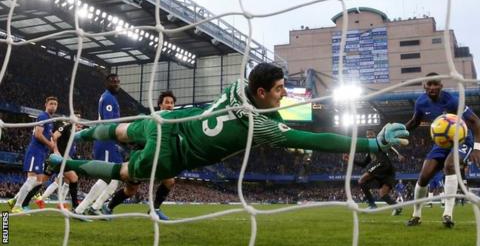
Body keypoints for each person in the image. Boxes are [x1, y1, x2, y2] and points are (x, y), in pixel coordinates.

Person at [47, 63, 409, 211]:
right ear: (263, 92)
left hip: (169, 122)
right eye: (280, 89)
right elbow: (317, 140)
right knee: (126, 174)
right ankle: (66, 161)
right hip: (172, 156)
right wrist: (371, 144)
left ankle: (79, 133)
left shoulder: (237, 85)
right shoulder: (262, 125)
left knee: (123, 128)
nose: (284, 94)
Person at [406, 73, 480, 228]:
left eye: (435, 84)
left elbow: (475, 121)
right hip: (441, 142)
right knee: (424, 176)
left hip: (462, 140)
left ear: (441, 86)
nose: (432, 87)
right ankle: (416, 215)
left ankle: (447, 214)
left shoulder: (451, 100)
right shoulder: (420, 102)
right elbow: (414, 122)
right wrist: (400, 131)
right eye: (429, 84)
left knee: (449, 166)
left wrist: (477, 148)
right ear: (424, 86)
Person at [103, 91, 177, 220]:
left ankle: (155, 209)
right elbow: (137, 137)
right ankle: (108, 208)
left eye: (172, 103)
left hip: (157, 158)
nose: (170, 105)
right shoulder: (151, 119)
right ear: (160, 105)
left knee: (169, 180)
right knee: (131, 190)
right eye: (167, 102)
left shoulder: (174, 123)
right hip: (141, 157)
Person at [75, 74, 122, 216]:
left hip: (110, 142)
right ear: (107, 83)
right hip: (105, 141)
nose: (116, 84)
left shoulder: (111, 98)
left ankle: (96, 207)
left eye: (118, 82)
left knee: (115, 178)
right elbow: (108, 123)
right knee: (107, 177)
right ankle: (80, 209)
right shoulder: (107, 98)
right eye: (113, 82)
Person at [10, 96, 58, 213]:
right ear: (45, 105)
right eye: (51, 103)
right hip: (35, 151)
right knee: (32, 179)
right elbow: (37, 134)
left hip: (41, 153)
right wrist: (50, 145)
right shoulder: (42, 116)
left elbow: (49, 133)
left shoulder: (50, 120)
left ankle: (14, 200)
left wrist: (53, 140)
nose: (53, 106)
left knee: (40, 180)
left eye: (55, 104)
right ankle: (17, 206)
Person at [343, 129, 403, 216]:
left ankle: (372, 205)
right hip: (384, 172)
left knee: (361, 180)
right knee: (382, 194)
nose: (369, 136)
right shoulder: (369, 150)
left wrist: (398, 154)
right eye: (367, 135)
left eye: (371, 134)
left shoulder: (378, 142)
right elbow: (363, 164)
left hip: (383, 165)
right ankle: (397, 207)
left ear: (374, 135)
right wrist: (350, 159)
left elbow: (390, 146)